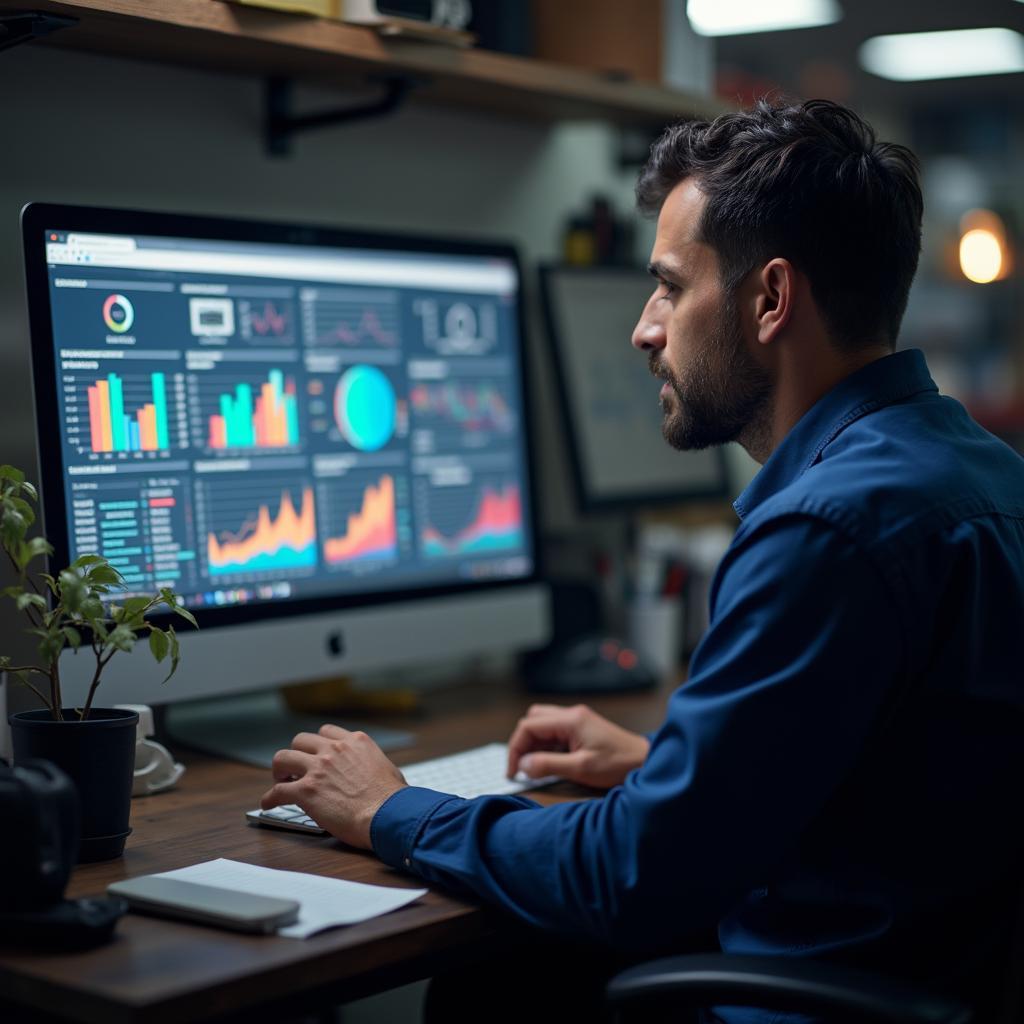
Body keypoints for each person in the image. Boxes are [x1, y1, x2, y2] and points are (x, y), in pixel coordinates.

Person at [261, 99, 1024, 1023]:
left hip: (830, 1002)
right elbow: (910, 780)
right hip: (939, 969)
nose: (644, 328)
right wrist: (666, 767)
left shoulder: (826, 529)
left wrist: (392, 809)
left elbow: (633, 877)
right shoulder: (983, 473)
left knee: (491, 991)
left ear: (770, 300)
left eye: (668, 285)